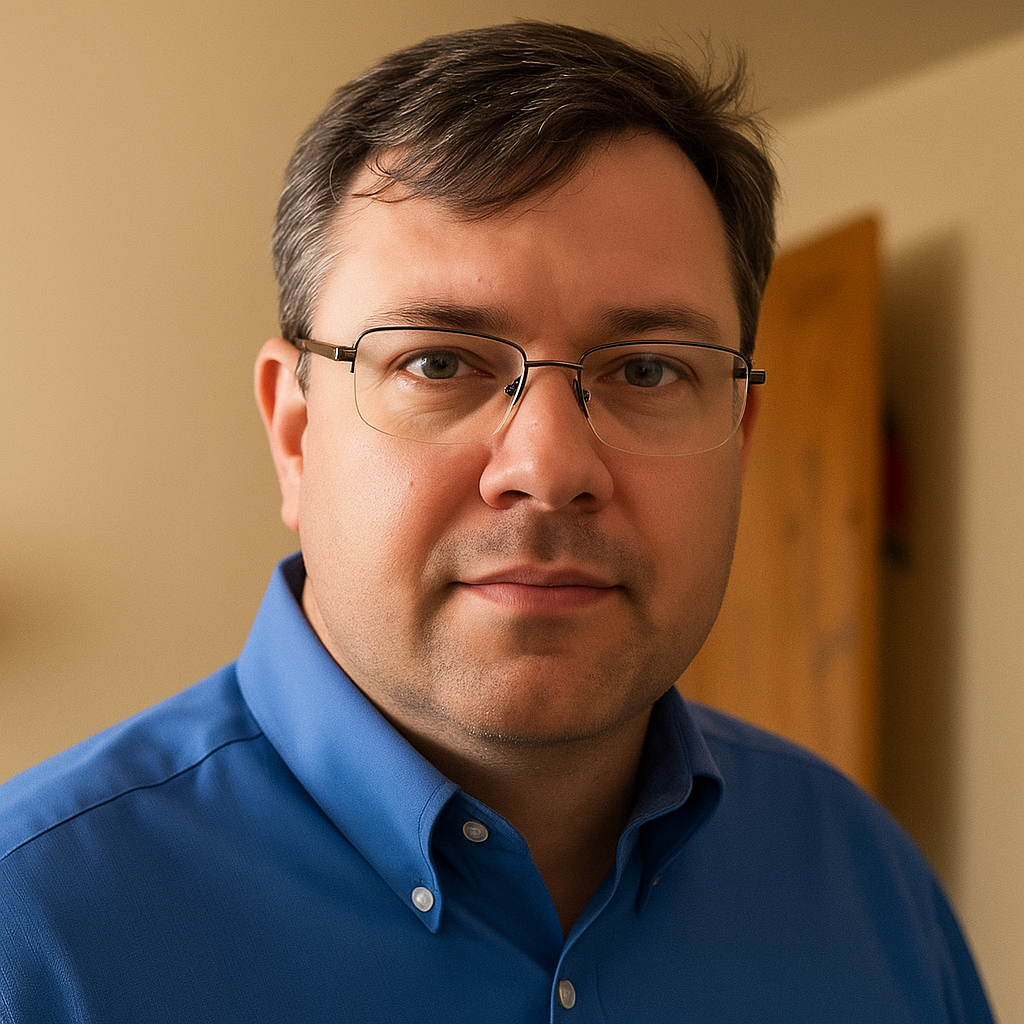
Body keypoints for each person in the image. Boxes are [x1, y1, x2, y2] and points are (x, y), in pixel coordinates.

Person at [0, 21, 993, 1023]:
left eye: (648, 370)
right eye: (439, 362)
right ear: (294, 433)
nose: (550, 468)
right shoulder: (28, 931)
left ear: (740, 432)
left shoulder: (873, 894)